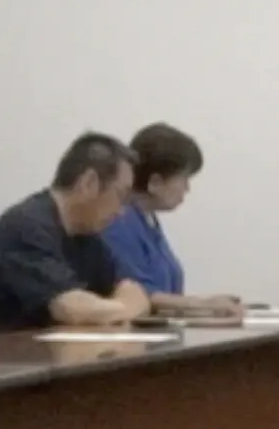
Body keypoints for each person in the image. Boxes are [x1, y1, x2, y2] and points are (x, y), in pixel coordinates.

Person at [0, 133, 150, 333]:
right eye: (121, 196)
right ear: (88, 183)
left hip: (29, 350)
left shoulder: (85, 235)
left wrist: (117, 309)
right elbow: (72, 309)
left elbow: (132, 289)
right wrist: (123, 309)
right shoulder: (27, 227)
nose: (122, 212)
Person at [104, 122, 242, 318]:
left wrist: (207, 306)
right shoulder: (119, 221)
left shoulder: (148, 221)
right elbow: (138, 295)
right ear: (155, 183)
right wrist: (204, 305)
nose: (187, 188)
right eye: (184, 179)